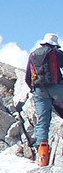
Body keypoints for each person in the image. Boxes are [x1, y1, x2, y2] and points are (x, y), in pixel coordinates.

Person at [25, 33, 63, 166]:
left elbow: (27, 77)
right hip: (56, 89)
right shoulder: (58, 54)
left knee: (43, 120)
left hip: (39, 91)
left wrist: (34, 90)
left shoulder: (33, 55)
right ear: (54, 44)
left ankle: (42, 157)